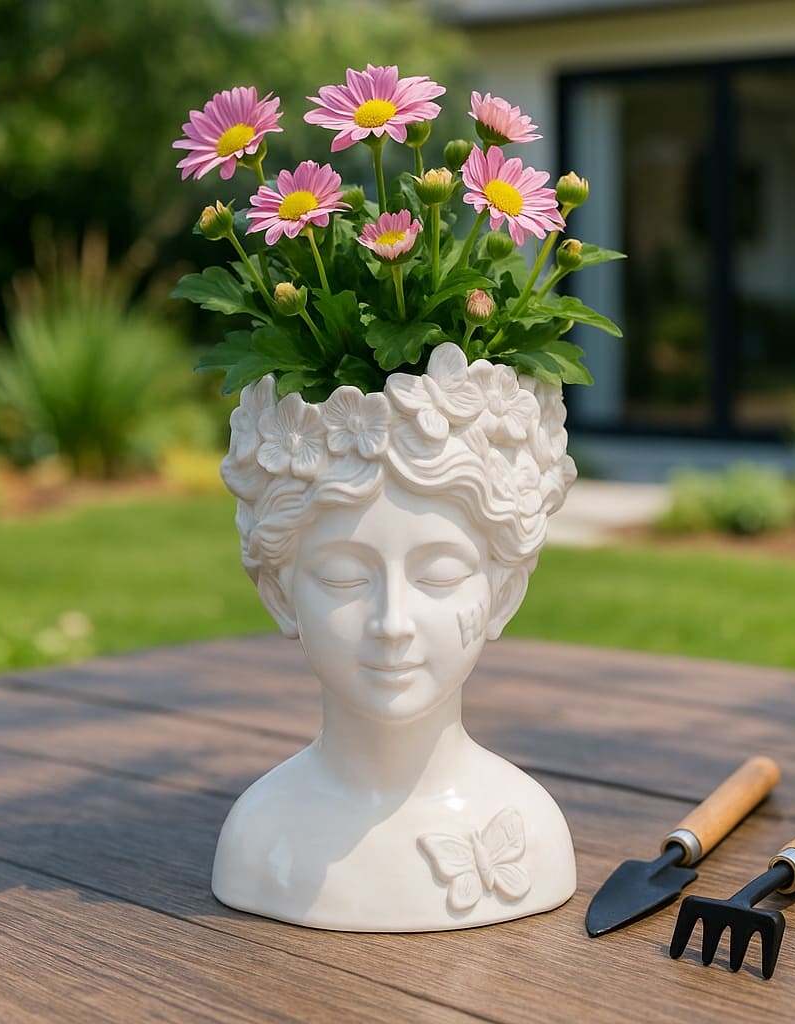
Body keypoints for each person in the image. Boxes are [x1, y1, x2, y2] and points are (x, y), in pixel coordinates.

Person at [212, 344, 577, 930]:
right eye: (344, 577)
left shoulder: (530, 828)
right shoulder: (263, 840)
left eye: (438, 574)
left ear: (502, 592)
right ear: (279, 594)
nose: (392, 623)